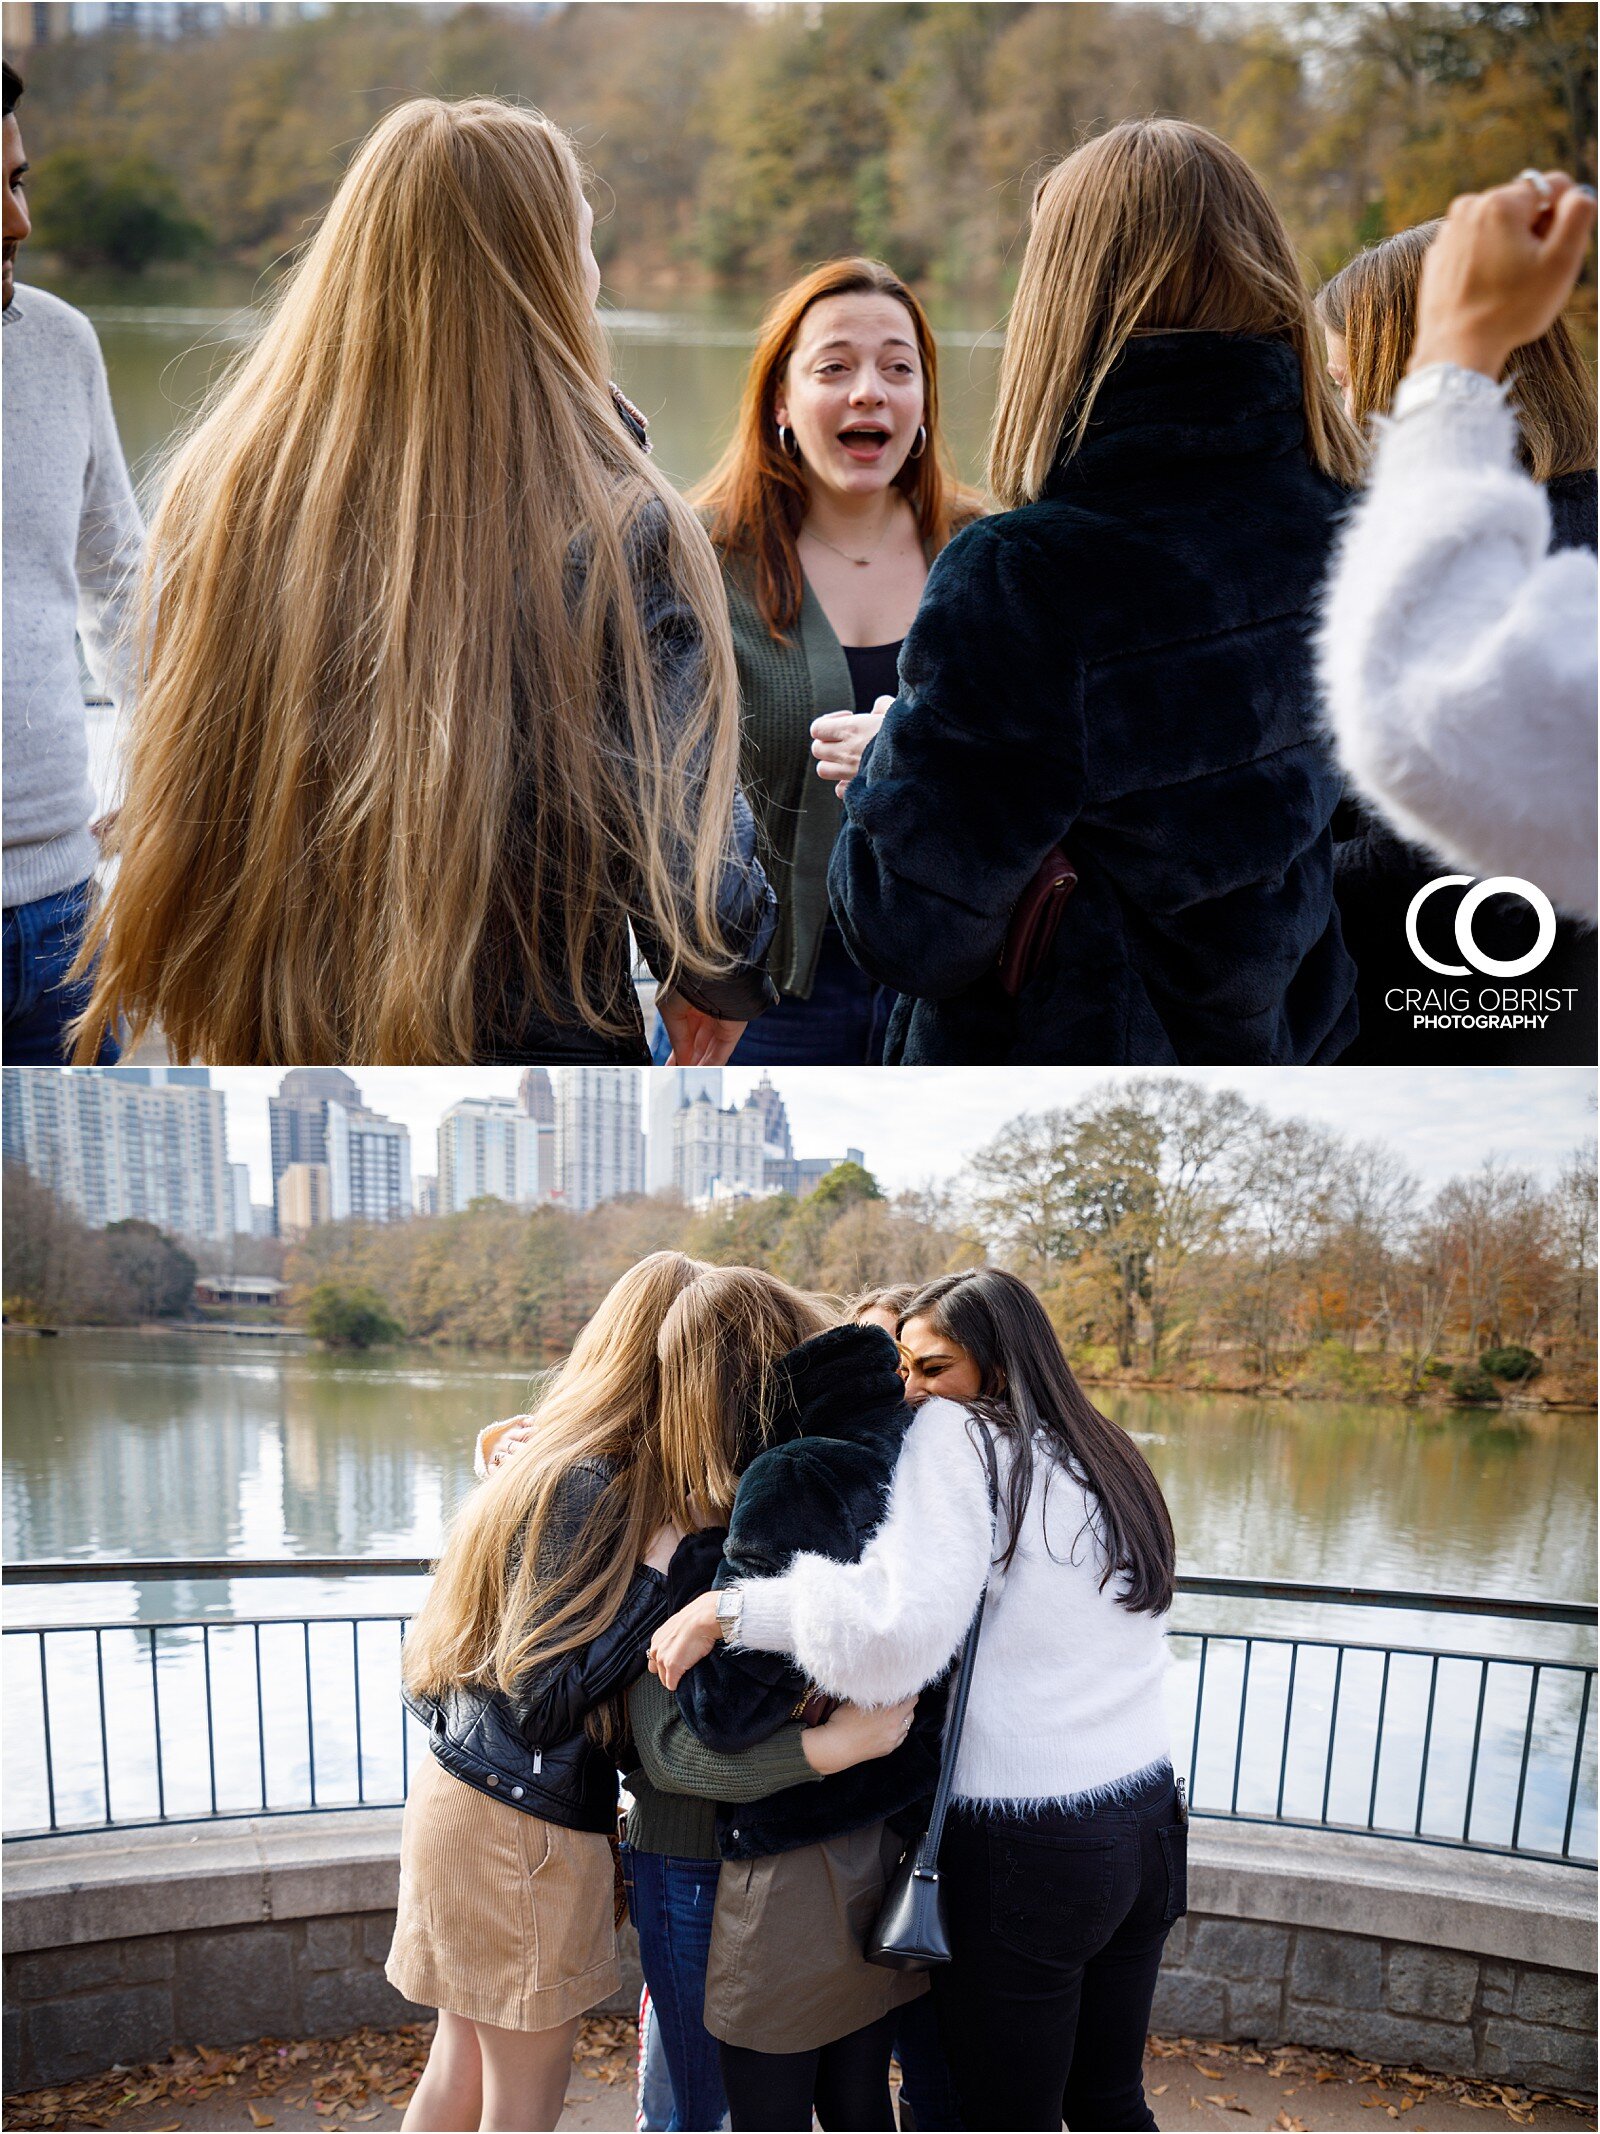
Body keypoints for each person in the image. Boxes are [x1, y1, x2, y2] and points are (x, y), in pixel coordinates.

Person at [70, 97, 776, 1067]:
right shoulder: (618, 533)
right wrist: (719, 983)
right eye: (582, 240)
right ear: (548, 273)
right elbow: (704, 896)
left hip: (268, 1040)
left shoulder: (221, 493)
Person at [824, 119, 1363, 1066]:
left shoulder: (1024, 578)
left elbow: (909, 930)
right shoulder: (1354, 520)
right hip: (1288, 1041)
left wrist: (891, 755)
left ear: (1062, 300)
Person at [651, 1267, 1182, 2134]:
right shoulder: (1106, 1450)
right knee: (1108, 2101)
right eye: (903, 1365)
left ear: (999, 1368)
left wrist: (731, 1606)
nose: (911, 1389)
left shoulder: (960, 1439)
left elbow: (896, 1634)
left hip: (1031, 1837)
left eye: (933, 1368)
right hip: (1146, 1821)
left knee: (1002, 2115)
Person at [389, 1251, 705, 2130]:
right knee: (517, 2109)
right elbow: (540, 1700)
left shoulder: (552, 1464)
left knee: (457, 2071)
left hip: (469, 1795)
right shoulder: (592, 1483)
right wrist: (657, 1577)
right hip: (515, 1826)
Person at [650, 1271, 948, 2131]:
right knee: (860, 2100)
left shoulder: (794, 1476)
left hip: (787, 1861)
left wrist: (703, 1581)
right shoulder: (928, 1465)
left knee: (757, 2106)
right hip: (881, 1839)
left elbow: (725, 1717)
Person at [674, 259, 982, 1065]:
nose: (869, 392)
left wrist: (913, 753)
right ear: (781, 399)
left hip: (955, 1000)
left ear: (923, 403)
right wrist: (687, 976)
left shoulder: (990, 555)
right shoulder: (696, 559)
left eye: (898, 368)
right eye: (834, 367)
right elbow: (651, 787)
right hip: (762, 1005)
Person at [1316, 215, 1597, 1065]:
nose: (1329, 417)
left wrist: (1268, 890)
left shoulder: (1509, 558)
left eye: (1341, 384)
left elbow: (1442, 841)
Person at [2, 58, 143, 1064]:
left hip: (62, 920)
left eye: (16, 181)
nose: (17, 224)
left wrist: (160, 760)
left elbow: (120, 585)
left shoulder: (63, 344)